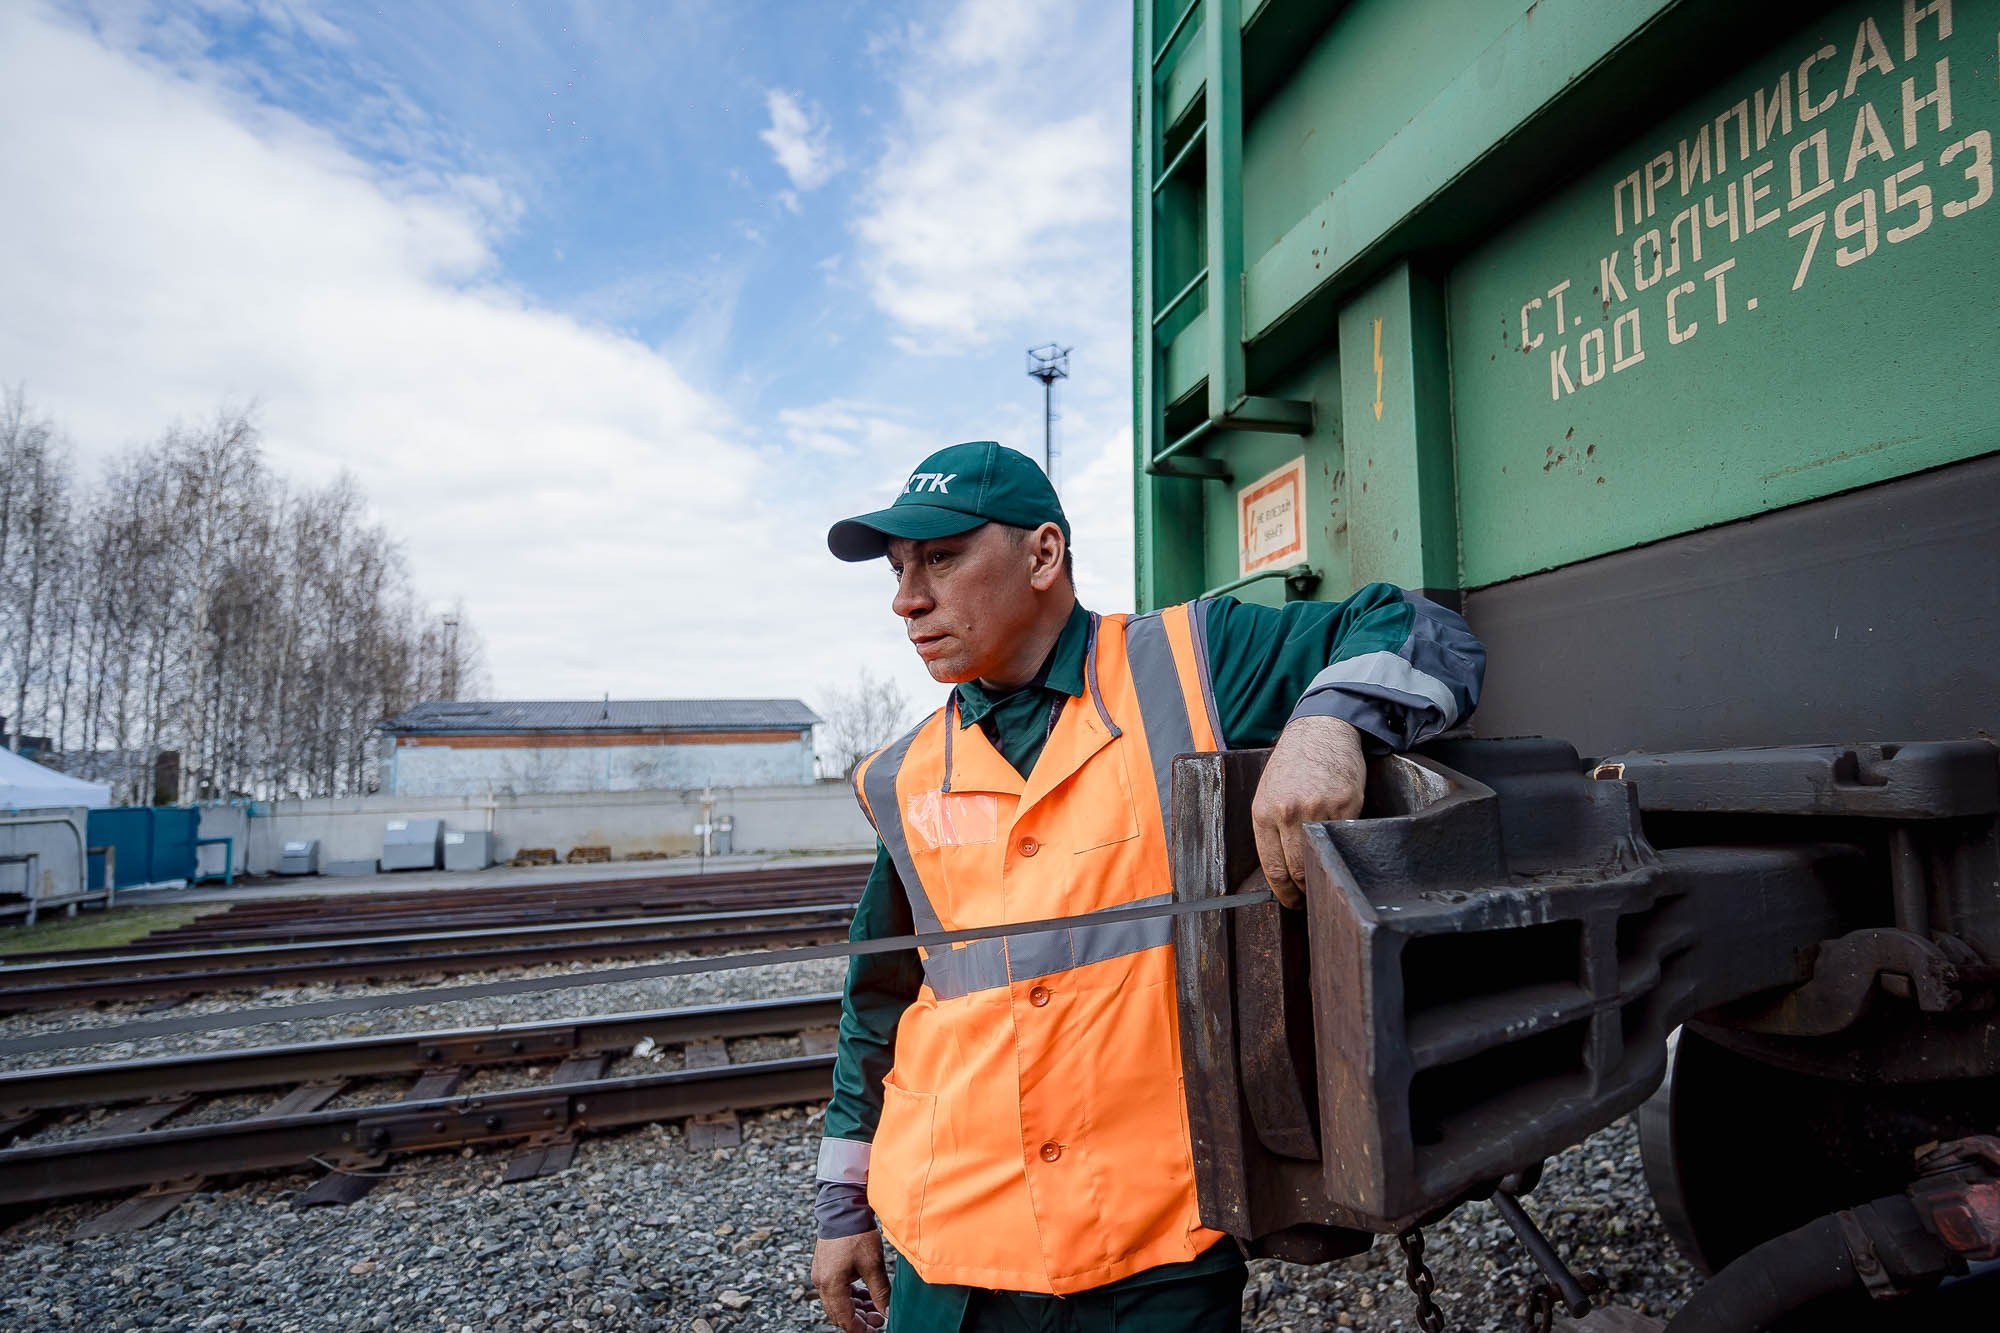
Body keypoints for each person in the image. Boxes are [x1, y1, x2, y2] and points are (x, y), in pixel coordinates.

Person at [810, 441, 1484, 1332]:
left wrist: (1330, 725)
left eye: (941, 557)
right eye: (898, 570)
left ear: (1044, 555)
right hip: (952, 1259)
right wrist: (842, 1208)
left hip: (1152, 1251)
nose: (907, 598)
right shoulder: (900, 776)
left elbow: (1418, 628)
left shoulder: (1188, 665)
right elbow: (881, 1001)